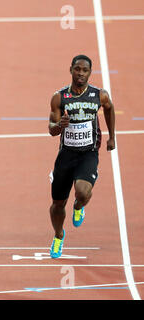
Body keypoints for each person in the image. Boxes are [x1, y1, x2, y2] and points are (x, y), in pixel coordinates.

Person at [48, 54, 115, 258]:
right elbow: (51, 129)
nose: (81, 73)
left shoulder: (99, 95)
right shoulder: (60, 97)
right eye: (77, 69)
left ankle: (79, 205)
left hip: (88, 154)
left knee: (83, 192)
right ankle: (59, 235)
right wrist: (59, 125)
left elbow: (110, 109)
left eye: (85, 70)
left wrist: (112, 137)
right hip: (66, 155)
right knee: (58, 204)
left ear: (89, 73)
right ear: (71, 70)